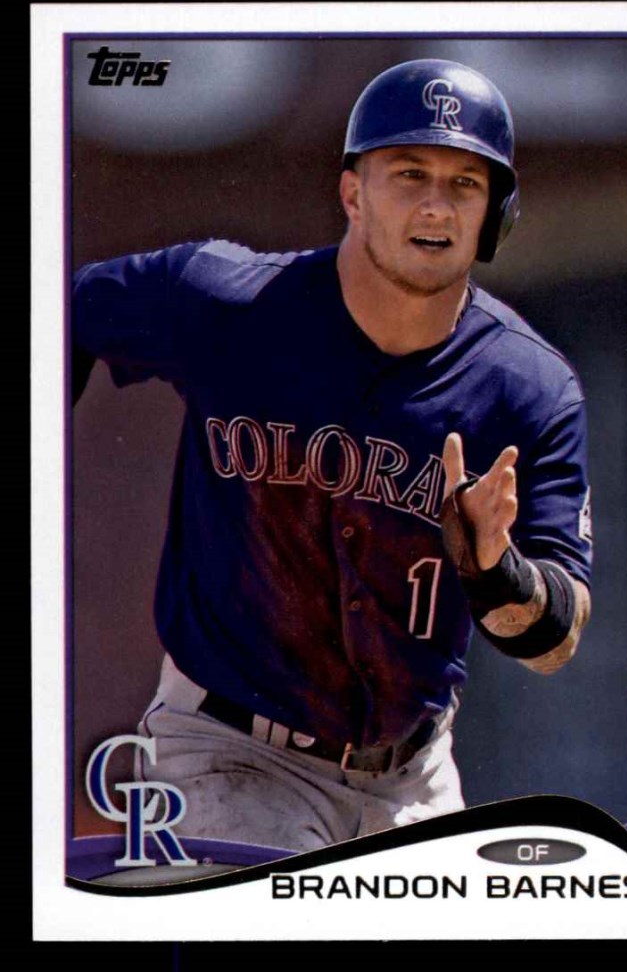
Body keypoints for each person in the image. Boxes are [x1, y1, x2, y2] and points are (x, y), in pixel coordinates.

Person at [72, 59, 592, 855]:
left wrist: (495, 571)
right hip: (229, 754)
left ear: (495, 217)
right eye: (409, 174)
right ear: (352, 194)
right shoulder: (228, 302)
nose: (435, 205)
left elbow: (553, 642)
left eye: (465, 184)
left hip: (415, 778)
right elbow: (70, 313)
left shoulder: (528, 388)